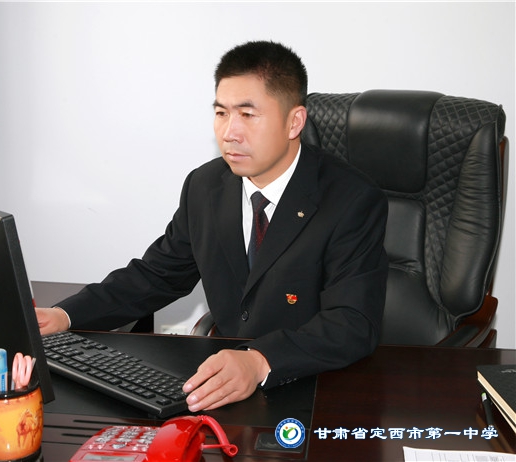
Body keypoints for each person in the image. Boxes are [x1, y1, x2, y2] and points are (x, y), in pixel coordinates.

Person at [36, 40, 388, 413]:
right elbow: (156, 275)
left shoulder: (351, 199)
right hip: (223, 381)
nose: (229, 132)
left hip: (313, 386)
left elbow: (351, 322)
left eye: (248, 114)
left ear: (294, 122)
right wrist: (65, 315)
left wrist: (260, 360)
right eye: (221, 113)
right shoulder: (205, 186)